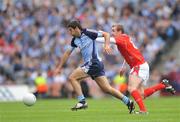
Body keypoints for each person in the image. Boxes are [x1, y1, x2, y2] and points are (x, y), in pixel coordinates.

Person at [53, 20, 135, 113]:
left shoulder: (88, 32)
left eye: (71, 30)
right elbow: (67, 53)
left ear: (76, 28)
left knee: (72, 78)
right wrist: (59, 67)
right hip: (95, 65)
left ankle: (82, 101)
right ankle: (128, 101)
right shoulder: (74, 40)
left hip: (93, 63)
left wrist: (106, 45)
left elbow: (107, 34)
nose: (70, 33)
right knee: (107, 89)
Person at [96, 24, 176, 114]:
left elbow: (107, 40)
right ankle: (162, 85)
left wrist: (93, 37)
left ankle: (143, 111)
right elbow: (129, 53)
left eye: (114, 31)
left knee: (131, 88)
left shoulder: (121, 39)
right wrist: (123, 66)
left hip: (138, 66)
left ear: (120, 32)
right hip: (142, 65)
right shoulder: (124, 38)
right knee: (141, 95)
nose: (112, 32)